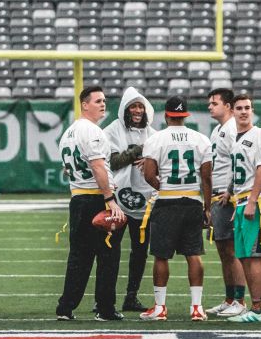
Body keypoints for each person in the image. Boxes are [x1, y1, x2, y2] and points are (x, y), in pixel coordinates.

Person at [55, 85, 127, 321]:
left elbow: (68, 170)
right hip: (96, 197)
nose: (103, 104)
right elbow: (97, 166)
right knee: (108, 254)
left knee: (78, 256)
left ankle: (65, 307)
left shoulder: (68, 133)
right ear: (84, 104)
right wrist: (109, 199)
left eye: (104, 100)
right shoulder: (93, 131)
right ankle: (105, 309)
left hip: (77, 198)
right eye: (97, 101)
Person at [138, 96, 212, 321]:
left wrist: (164, 187)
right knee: (194, 254)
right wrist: (207, 208)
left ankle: (160, 308)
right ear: (185, 115)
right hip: (192, 200)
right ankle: (197, 308)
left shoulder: (156, 139)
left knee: (161, 256)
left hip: (167, 202)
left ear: (166, 115)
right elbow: (207, 179)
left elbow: (149, 174)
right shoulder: (201, 139)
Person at [104, 87, 157, 312]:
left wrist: (148, 160)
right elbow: (112, 162)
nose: (137, 110)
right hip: (117, 198)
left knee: (140, 250)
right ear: (125, 109)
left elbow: (157, 163)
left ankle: (131, 296)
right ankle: (106, 299)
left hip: (145, 199)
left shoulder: (153, 134)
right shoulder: (112, 130)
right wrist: (138, 151)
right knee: (111, 249)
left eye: (140, 106)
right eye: (133, 106)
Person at [224, 95, 261, 323]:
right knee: (243, 256)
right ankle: (252, 307)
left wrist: (252, 200)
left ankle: (257, 309)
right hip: (242, 201)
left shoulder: (259, 134)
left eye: (247, 108)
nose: (244, 112)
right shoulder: (237, 138)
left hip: (256, 201)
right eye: (239, 108)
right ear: (232, 111)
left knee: (254, 257)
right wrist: (236, 198)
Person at [204, 88, 249, 317]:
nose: (210, 106)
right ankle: (230, 297)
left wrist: (231, 191)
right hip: (218, 194)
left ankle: (240, 300)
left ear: (228, 106)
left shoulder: (231, 128)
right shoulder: (218, 129)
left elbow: (237, 161)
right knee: (223, 249)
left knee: (232, 250)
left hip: (227, 195)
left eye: (214, 103)